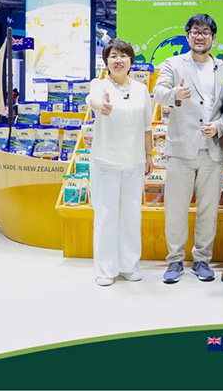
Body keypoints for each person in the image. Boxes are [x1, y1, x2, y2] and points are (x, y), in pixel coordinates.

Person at [153, 14, 223, 284]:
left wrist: (219, 127)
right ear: (187, 36)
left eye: (206, 32)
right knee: (175, 209)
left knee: (208, 209)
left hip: (212, 150)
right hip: (181, 149)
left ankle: (202, 260)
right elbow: (158, 92)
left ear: (213, 38)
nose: (200, 36)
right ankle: (174, 260)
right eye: (195, 31)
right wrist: (174, 94)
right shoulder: (172, 64)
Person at [87, 39, 153, 286]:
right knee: (106, 214)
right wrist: (100, 106)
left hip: (134, 161)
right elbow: (92, 101)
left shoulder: (141, 90)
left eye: (123, 56)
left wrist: (148, 156)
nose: (118, 60)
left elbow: (147, 126)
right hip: (106, 160)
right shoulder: (99, 85)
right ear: (106, 61)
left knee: (131, 215)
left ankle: (129, 265)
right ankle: (106, 269)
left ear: (131, 61)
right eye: (113, 56)